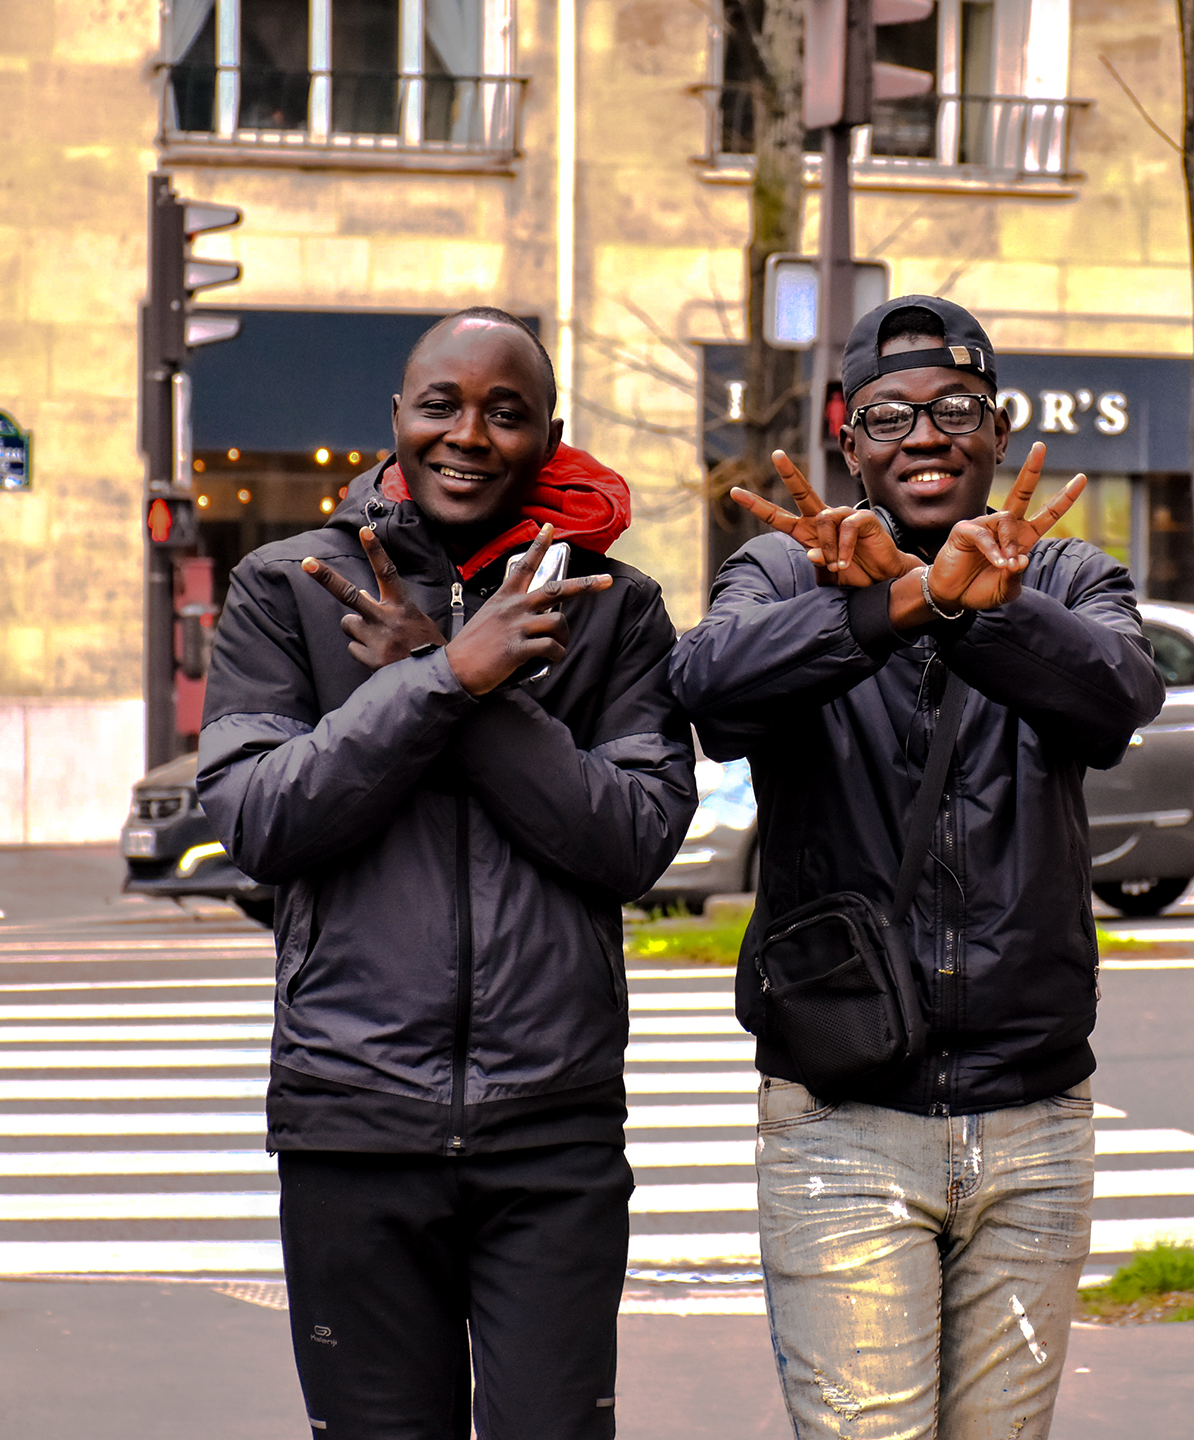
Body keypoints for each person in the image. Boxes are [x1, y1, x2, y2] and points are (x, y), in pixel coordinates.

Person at [669, 296, 1165, 1439]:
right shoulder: (785, 573)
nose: (926, 436)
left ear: (997, 432)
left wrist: (981, 613)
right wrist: (891, 607)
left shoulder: (1068, 571)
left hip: (1035, 1118)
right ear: (849, 441)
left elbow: (1117, 698)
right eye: (891, 414)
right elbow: (710, 693)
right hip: (842, 1118)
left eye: (955, 409)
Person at [197, 306, 697, 1440]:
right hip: (352, 1120)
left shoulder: (616, 614)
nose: (468, 434)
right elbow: (260, 819)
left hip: (553, 1131)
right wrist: (440, 685)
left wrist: (444, 675)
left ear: (549, 435)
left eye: (505, 413)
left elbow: (628, 841)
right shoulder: (291, 588)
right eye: (442, 406)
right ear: (396, 420)